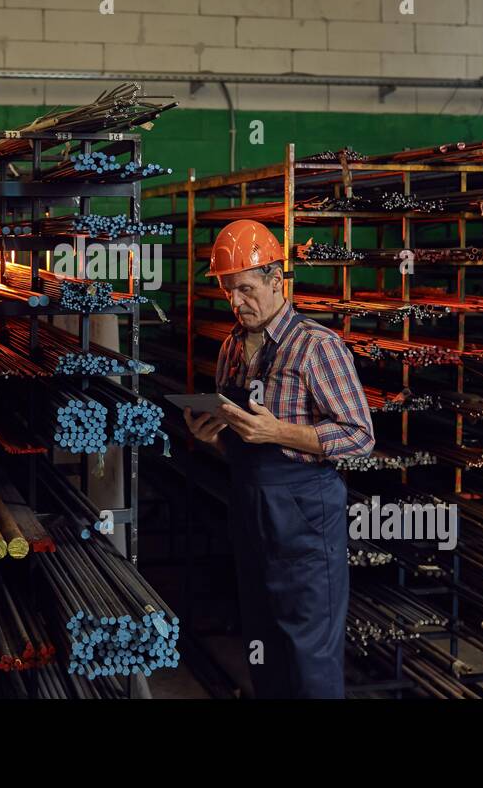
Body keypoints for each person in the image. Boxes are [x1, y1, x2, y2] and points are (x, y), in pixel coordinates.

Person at [183, 218, 373, 698]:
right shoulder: (231, 347)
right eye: (229, 291)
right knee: (263, 639)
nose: (236, 302)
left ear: (276, 280)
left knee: (308, 650)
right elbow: (242, 440)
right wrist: (212, 436)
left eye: (245, 289)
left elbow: (359, 437)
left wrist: (278, 432)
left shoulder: (317, 347)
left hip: (305, 514)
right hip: (251, 508)